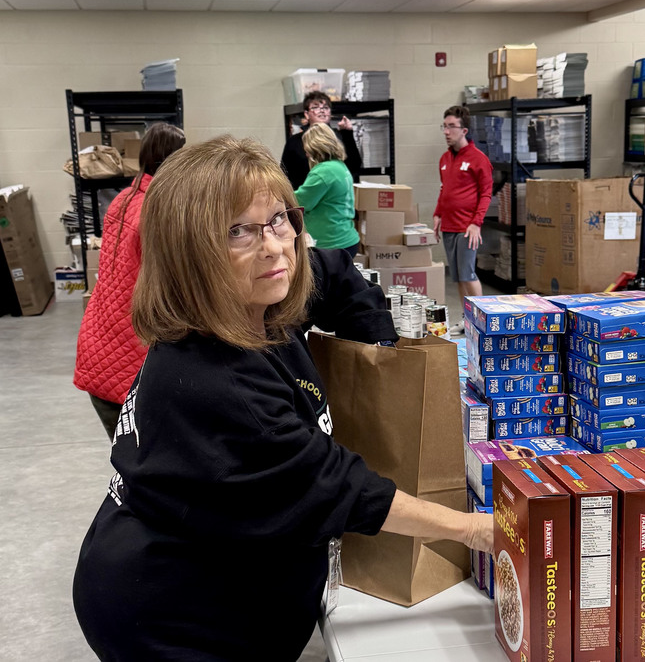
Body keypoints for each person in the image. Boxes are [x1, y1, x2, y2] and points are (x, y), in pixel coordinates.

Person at [72, 136, 493, 661]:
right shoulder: (212, 380)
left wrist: (384, 354)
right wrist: (473, 529)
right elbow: (342, 490)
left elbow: (335, 275)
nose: (274, 246)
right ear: (189, 255)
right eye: (236, 232)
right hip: (176, 615)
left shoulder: (262, 295)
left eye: (278, 219)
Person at [73, 121, 186, 441]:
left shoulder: (126, 196)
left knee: (133, 461)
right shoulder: (159, 207)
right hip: (131, 363)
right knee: (153, 465)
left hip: (99, 346)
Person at [433, 105, 493, 334]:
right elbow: (444, 189)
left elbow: (486, 194)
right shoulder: (444, 159)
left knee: (468, 274)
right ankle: (466, 318)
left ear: (464, 130)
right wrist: (438, 214)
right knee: (458, 277)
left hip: (467, 228)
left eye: (451, 127)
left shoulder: (478, 159)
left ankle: (482, 320)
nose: (446, 131)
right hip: (448, 226)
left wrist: (476, 223)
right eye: (444, 126)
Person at [294, 122, 359, 256]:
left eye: (306, 148)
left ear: (314, 147)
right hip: (346, 239)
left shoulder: (323, 172)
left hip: (330, 245)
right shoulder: (339, 166)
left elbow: (300, 201)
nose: (305, 153)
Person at [281, 91, 362, 189]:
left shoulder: (340, 136)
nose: (322, 110)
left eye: (325, 107)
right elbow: (284, 174)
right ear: (306, 114)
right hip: (305, 195)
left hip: (334, 193)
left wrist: (348, 133)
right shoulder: (295, 141)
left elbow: (354, 166)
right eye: (315, 107)